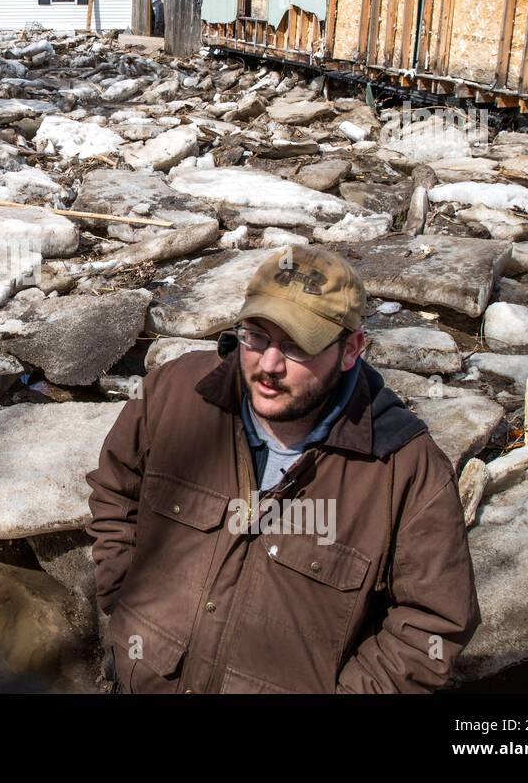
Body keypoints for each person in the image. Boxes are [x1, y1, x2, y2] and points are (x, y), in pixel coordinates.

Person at [86, 245, 480, 693]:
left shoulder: (405, 469)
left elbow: (433, 623)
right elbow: (114, 491)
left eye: (296, 346)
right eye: (256, 336)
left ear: (351, 349)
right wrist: (122, 599)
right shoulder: (174, 393)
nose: (269, 365)